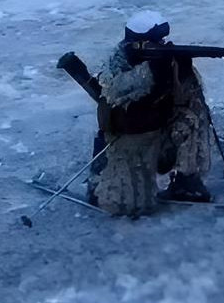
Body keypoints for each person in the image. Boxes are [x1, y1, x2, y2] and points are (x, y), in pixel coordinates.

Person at [87, 11, 212, 216]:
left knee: (194, 112)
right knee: (130, 207)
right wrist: (150, 73)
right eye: (156, 41)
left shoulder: (164, 61)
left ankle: (186, 180)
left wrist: (184, 73)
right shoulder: (116, 66)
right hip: (130, 139)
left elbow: (187, 100)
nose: (162, 45)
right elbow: (115, 94)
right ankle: (99, 183)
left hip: (161, 132)